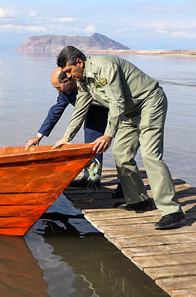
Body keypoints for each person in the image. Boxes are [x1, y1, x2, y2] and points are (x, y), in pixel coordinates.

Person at [54, 46, 185, 229]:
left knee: (150, 155)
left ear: (79, 62)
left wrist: (108, 135)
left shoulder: (104, 67)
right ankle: (139, 200)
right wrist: (66, 137)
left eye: (69, 70)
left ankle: (172, 211)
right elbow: (80, 109)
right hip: (129, 112)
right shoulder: (83, 80)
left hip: (149, 103)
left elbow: (116, 102)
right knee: (121, 153)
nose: (68, 76)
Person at [25, 67, 112, 190]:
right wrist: (38, 136)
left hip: (115, 111)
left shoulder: (87, 80)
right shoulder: (65, 93)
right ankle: (92, 179)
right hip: (93, 116)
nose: (58, 91)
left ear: (67, 80)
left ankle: (124, 186)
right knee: (92, 147)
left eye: (58, 87)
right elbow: (55, 112)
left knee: (121, 149)